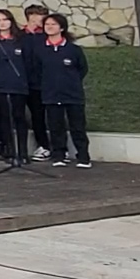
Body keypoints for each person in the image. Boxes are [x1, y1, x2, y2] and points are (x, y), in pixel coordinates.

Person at [35, 13, 91, 168]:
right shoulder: (40, 50)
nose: (50, 27)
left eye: (53, 24)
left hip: (73, 94)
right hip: (50, 94)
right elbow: (36, 70)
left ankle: (83, 156)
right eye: (47, 25)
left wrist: (71, 82)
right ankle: (59, 154)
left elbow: (82, 69)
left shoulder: (73, 49)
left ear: (62, 27)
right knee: (55, 126)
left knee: (77, 127)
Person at [0, 8, 34, 165]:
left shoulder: (22, 40)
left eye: (5, 19)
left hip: (18, 85)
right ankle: (10, 151)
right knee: (5, 119)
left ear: (11, 21)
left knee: (19, 118)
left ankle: (23, 152)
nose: (2, 23)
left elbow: (30, 62)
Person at [22, 4, 53, 159]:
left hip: (44, 82)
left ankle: (53, 146)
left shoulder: (47, 36)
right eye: (41, 16)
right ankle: (41, 146)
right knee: (34, 116)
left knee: (46, 115)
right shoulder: (20, 35)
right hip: (23, 83)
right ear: (31, 17)